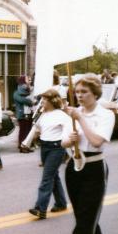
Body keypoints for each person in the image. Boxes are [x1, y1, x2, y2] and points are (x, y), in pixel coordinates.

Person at [63, 74, 115, 234]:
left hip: (94, 169)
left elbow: (97, 141)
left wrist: (81, 119)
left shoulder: (105, 115)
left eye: (84, 91)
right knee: (84, 218)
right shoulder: (73, 113)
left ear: (95, 93)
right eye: (77, 92)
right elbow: (63, 143)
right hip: (74, 167)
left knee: (85, 221)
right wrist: (70, 140)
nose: (79, 95)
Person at [28, 89, 70, 219]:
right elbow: (38, 129)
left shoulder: (61, 115)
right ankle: (61, 203)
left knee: (47, 178)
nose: (42, 102)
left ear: (52, 101)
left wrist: (66, 143)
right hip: (44, 147)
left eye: (45, 99)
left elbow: (68, 130)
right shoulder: (42, 114)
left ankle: (41, 208)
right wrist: (33, 137)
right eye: (42, 99)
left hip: (56, 148)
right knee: (53, 176)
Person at [13, 75, 35, 153]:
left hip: (29, 113)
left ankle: (27, 146)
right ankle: (21, 146)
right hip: (22, 114)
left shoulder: (29, 90)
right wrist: (31, 102)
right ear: (23, 81)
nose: (29, 81)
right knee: (23, 131)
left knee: (28, 131)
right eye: (27, 80)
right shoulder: (17, 93)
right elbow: (23, 100)